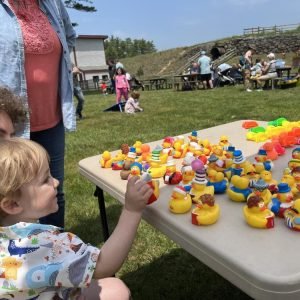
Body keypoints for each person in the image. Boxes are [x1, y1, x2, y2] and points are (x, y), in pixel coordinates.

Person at [0, 137, 153, 300]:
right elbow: (103, 265)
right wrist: (132, 210)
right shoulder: (48, 244)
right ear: (12, 204)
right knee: (117, 289)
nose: (56, 182)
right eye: (46, 180)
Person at [0, 0, 76, 228]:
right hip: (10, 125)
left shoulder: (53, 3)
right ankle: (15, 257)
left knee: (53, 189)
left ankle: (56, 251)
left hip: (52, 119)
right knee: (11, 196)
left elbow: (69, 36)